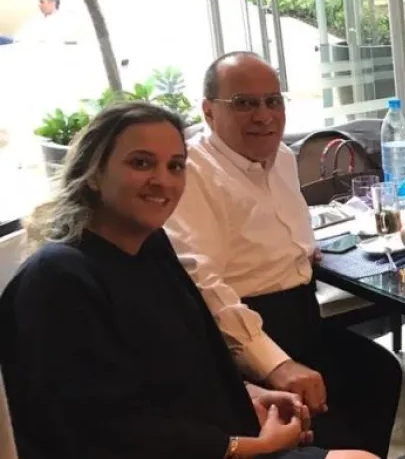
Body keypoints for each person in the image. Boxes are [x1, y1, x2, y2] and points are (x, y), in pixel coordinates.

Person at [0, 101, 378, 459]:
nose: (163, 181)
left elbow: (189, 366)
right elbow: (103, 431)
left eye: (176, 166)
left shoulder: (152, 246)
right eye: (141, 163)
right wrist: (246, 447)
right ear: (95, 174)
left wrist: (249, 394)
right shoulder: (58, 281)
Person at [165, 53, 402, 457]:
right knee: (327, 420)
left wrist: (298, 251)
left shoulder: (283, 159)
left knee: (378, 373)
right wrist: (275, 364)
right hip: (242, 337)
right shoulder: (191, 171)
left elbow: (285, 233)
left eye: (273, 101)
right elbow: (203, 285)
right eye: (244, 103)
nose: (264, 116)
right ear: (208, 111)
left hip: (302, 316)